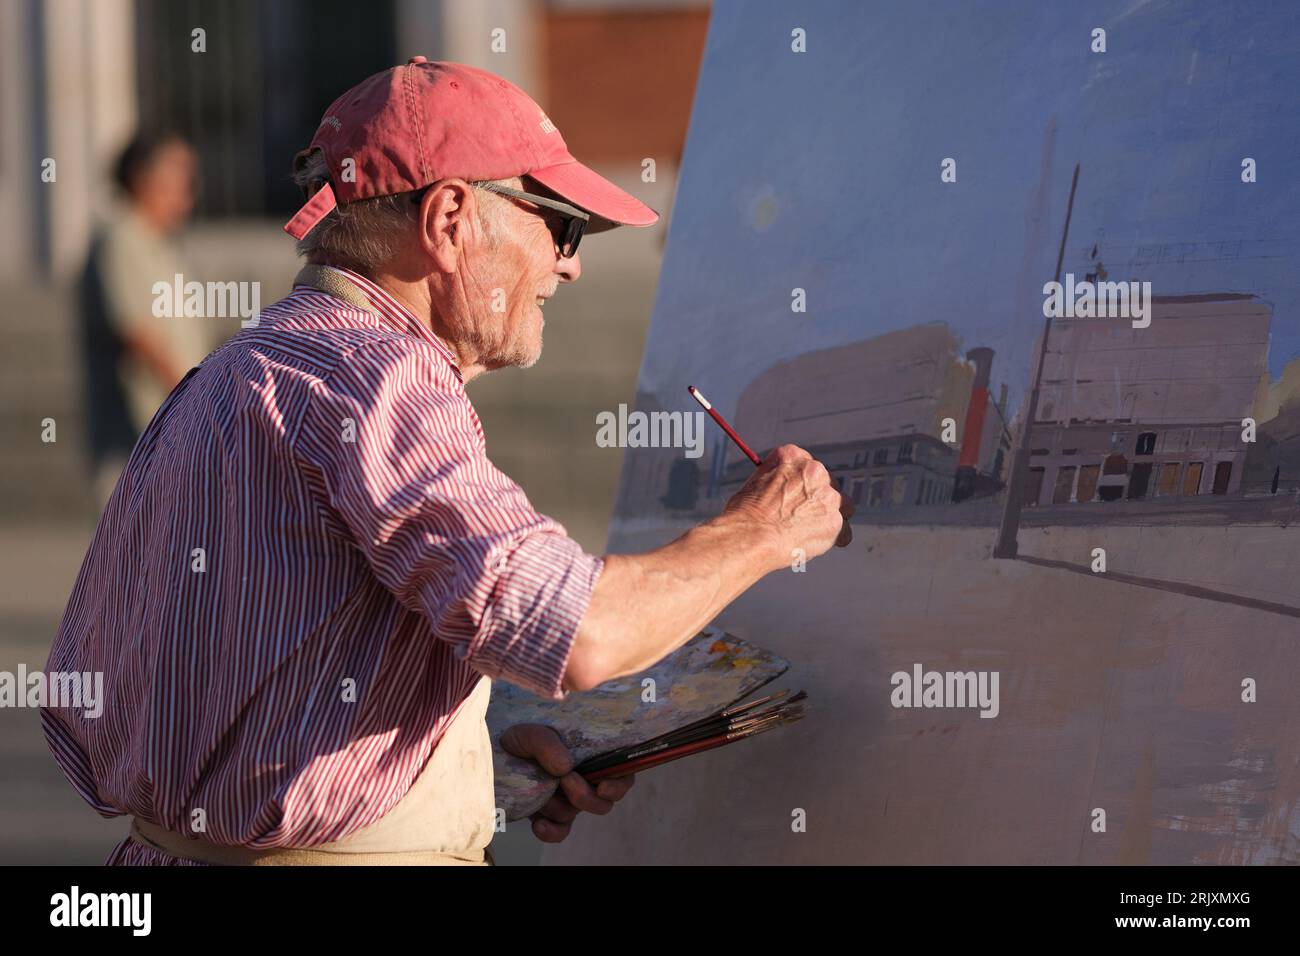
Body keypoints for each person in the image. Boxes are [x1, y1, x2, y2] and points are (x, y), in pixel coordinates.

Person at [43, 59, 853, 866]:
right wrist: (762, 528)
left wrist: (466, 763)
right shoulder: (381, 375)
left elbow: (228, 697)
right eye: (561, 226)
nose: (569, 265)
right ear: (451, 218)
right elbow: (578, 637)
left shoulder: (236, 371)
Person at [77, 131, 208, 506]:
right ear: (141, 177)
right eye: (179, 174)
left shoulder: (159, 243)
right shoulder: (121, 239)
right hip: (137, 437)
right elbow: (140, 335)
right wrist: (197, 403)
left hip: (167, 431)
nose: (188, 187)